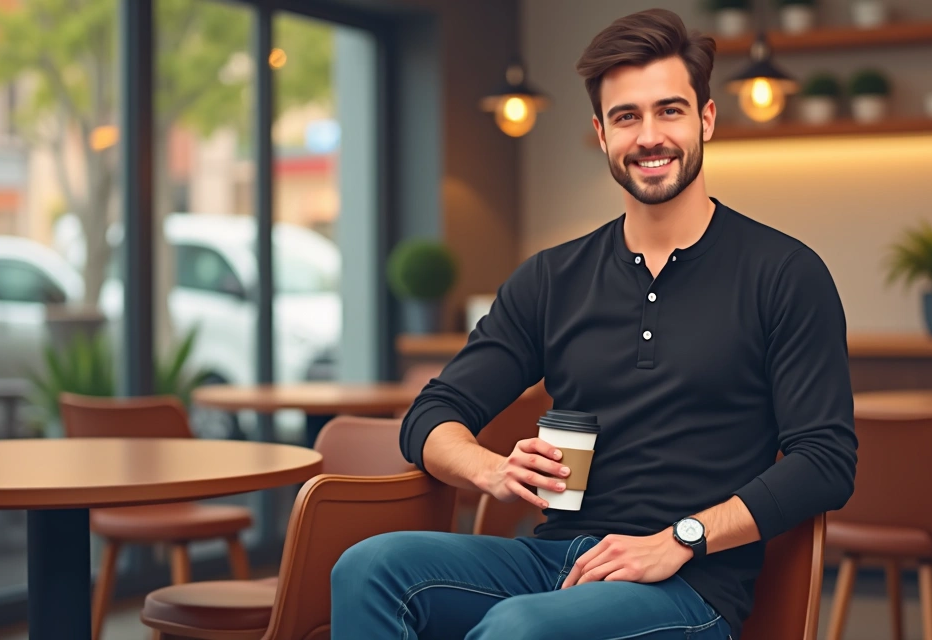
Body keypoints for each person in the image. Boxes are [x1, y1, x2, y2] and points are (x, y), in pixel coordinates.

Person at [330, 8, 857, 640]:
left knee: (519, 629)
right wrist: (489, 469)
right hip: (555, 557)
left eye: (670, 110)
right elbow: (432, 414)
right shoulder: (552, 278)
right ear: (602, 134)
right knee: (369, 567)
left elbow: (825, 461)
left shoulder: (784, 273)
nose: (649, 136)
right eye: (626, 117)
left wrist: (681, 539)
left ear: (706, 119)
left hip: (689, 585)